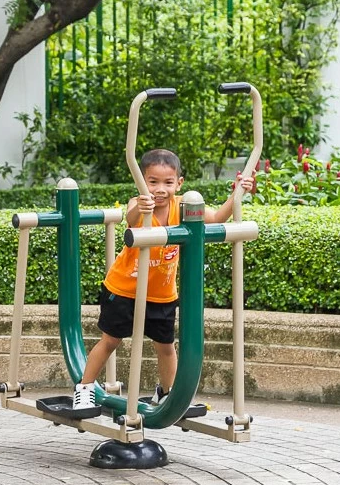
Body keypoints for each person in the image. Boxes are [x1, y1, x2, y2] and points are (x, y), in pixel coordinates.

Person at [72, 149, 256, 413]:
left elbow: (215, 219)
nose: (160, 189)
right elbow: (132, 218)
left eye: (168, 183)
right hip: (125, 289)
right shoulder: (139, 204)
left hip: (161, 295)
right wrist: (140, 206)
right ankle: (85, 388)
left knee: (166, 348)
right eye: (153, 182)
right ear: (141, 181)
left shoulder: (183, 206)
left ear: (178, 183)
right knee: (110, 341)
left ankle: (167, 395)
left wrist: (238, 193)